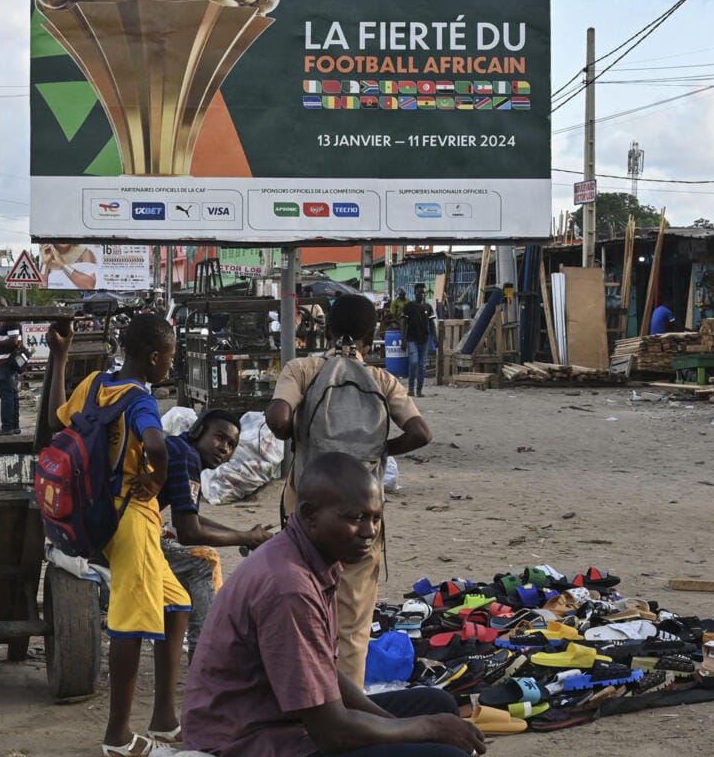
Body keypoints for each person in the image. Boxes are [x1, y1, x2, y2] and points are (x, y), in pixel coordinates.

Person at [182, 452, 487, 757]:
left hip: (286, 719)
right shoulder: (290, 588)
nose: (369, 532)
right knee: (444, 752)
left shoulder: (309, 559)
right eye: (355, 518)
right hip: (247, 740)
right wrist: (425, 730)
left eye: (375, 517)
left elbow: (321, 671)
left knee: (435, 704)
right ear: (310, 514)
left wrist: (404, 727)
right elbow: (332, 733)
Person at [265, 294, 433, 687]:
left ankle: (299, 695)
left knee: (300, 608)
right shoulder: (382, 380)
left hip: (308, 513)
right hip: (360, 517)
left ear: (325, 330)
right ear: (371, 338)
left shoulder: (302, 369)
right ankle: (346, 709)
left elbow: (276, 417)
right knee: (353, 625)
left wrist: (303, 438)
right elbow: (421, 433)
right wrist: (377, 452)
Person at [48, 312, 188, 756]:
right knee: (128, 624)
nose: (170, 364)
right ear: (152, 358)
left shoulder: (93, 384)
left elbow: (59, 422)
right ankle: (118, 736)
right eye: (169, 356)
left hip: (93, 509)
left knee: (175, 601)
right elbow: (156, 445)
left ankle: (165, 717)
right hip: (131, 519)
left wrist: (61, 356)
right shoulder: (140, 399)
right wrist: (158, 478)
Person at [157, 408, 273, 660]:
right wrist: (244, 539)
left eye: (231, 445)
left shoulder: (180, 450)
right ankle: (206, 655)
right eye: (220, 438)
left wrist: (243, 534)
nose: (224, 449)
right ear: (198, 430)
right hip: (129, 531)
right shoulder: (186, 458)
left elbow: (189, 518)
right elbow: (188, 532)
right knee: (203, 563)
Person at [0, 296, 24, 436]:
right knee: (12, 395)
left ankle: (7, 427)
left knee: (7, 396)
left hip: (5, 364)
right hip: (7, 364)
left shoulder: (10, 321)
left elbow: (14, 342)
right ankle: (14, 426)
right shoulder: (6, 321)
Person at [401, 283, 436, 398]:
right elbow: (403, 323)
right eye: (420, 292)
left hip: (424, 340)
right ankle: (410, 389)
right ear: (415, 293)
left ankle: (419, 390)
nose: (422, 294)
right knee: (414, 362)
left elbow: (432, 323)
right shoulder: (408, 307)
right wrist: (403, 339)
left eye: (424, 292)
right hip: (412, 339)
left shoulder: (428, 307)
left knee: (422, 366)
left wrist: (435, 337)